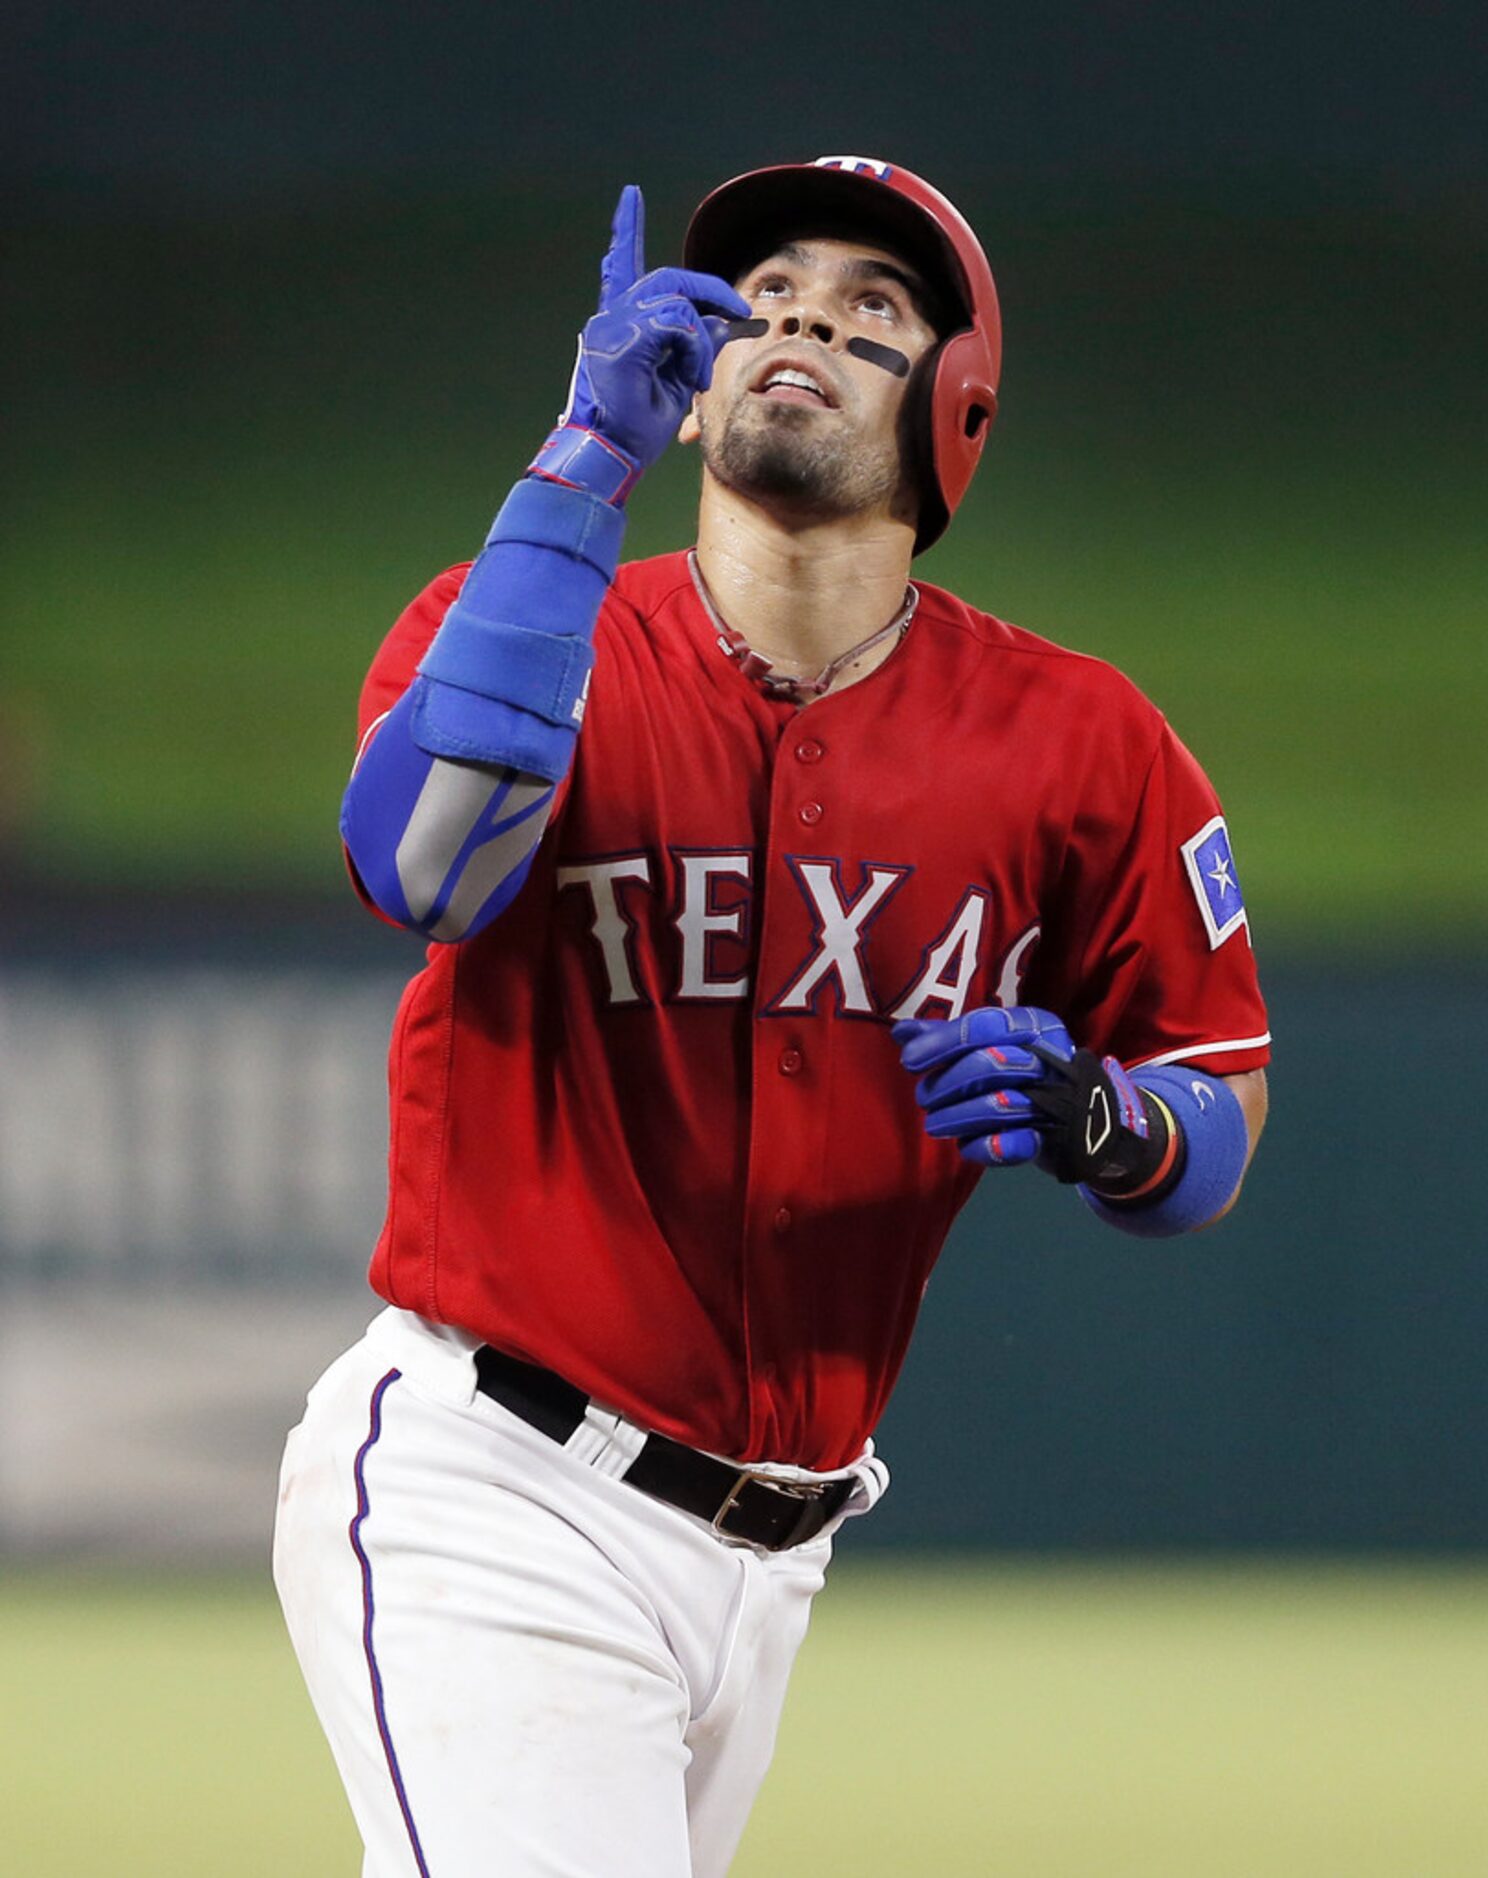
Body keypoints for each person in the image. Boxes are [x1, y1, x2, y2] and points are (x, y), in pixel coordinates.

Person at [273, 155, 1270, 1877]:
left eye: (872, 304)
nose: (801, 310)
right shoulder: (507, 622)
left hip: (772, 1554)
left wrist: (1100, 1119)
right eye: (770, 288)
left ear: (954, 411)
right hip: (487, 1482)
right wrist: (578, 467)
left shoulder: (1080, 738)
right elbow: (422, 871)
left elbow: (1212, 1106)